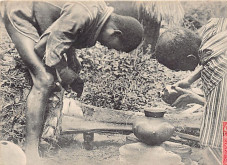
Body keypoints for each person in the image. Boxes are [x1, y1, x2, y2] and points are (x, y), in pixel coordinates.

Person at [1, 1, 143, 164]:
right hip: (22, 11)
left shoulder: (97, 12)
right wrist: (64, 70)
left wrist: (72, 58)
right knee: (44, 80)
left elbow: (65, 25)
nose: (109, 49)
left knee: (56, 74)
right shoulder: (83, 13)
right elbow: (42, 48)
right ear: (115, 33)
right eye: (114, 48)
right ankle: (31, 152)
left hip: (41, 17)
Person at [155, 18, 227, 164]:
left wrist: (193, 98)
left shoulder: (215, 70)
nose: (181, 72)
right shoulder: (213, 26)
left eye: (179, 69)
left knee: (213, 147)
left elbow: (224, 114)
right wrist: (190, 79)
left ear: (190, 58)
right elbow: (212, 53)